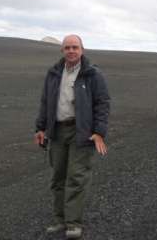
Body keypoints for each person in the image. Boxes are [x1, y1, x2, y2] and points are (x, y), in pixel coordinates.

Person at [34, 34, 110, 239]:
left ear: (82, 50)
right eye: (67, 47)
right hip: (57, 131)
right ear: (62, 51)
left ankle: (73, 223)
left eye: (75, 47)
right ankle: (59, 220)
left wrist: (98, 132)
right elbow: (45, 102)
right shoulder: (53, 73)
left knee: (76, 177)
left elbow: (102, 104)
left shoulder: (93, 75)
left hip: (81, 133)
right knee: (57, 177)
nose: (71, 51)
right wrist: (40, 128)